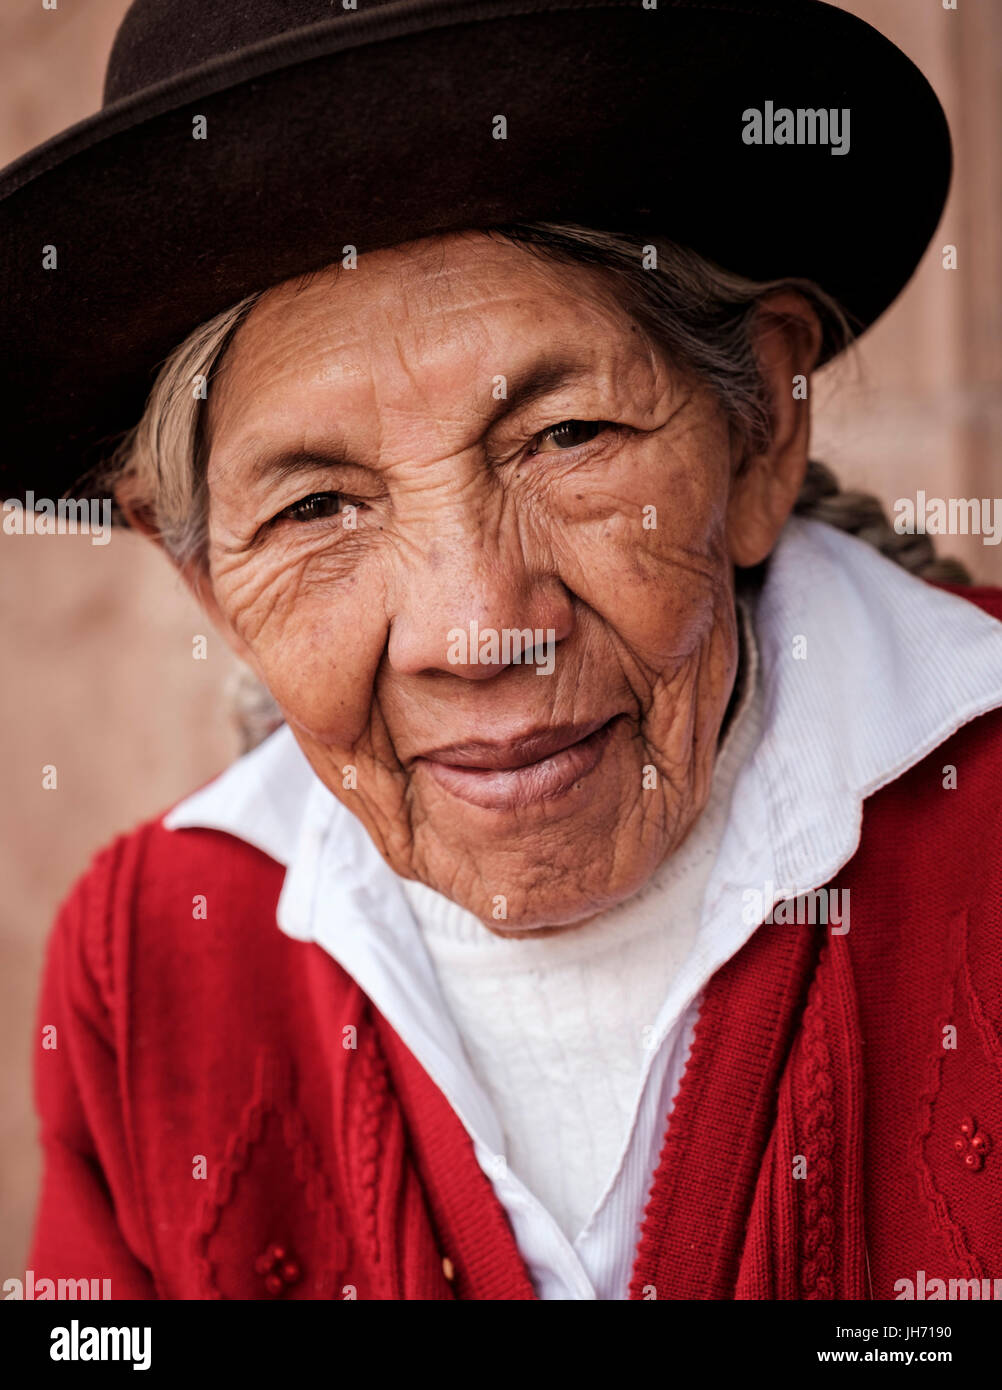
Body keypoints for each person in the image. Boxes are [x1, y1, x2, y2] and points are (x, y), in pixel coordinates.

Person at [4, 0, 1000, 1300]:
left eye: (565, 436)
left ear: (758, 432)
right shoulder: (147, 966)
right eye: (316, 507)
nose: (477, 627)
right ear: (200, 571)